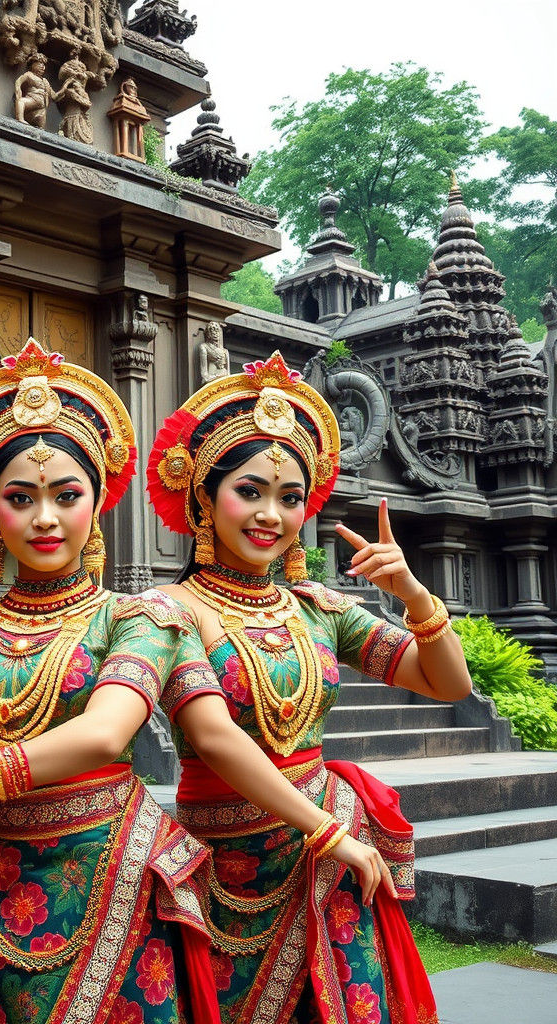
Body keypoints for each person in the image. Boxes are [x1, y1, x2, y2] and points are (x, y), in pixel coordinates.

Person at [0, 340, 390, 1023]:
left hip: (114, 876)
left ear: (96, 503)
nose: (45, 518)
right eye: (20, 497)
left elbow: (115, 733)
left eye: (67, 495)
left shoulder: (142, 617)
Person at [146, 350, 471, 1023]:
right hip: (231, 861)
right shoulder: (171, 611)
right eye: (250, 491)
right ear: (204, 497)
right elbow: (215, 736)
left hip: (329, 853)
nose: (271, 514)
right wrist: (328, 832)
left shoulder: (315, 607)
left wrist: (412, 593)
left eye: (290, 498)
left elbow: (446, 683)